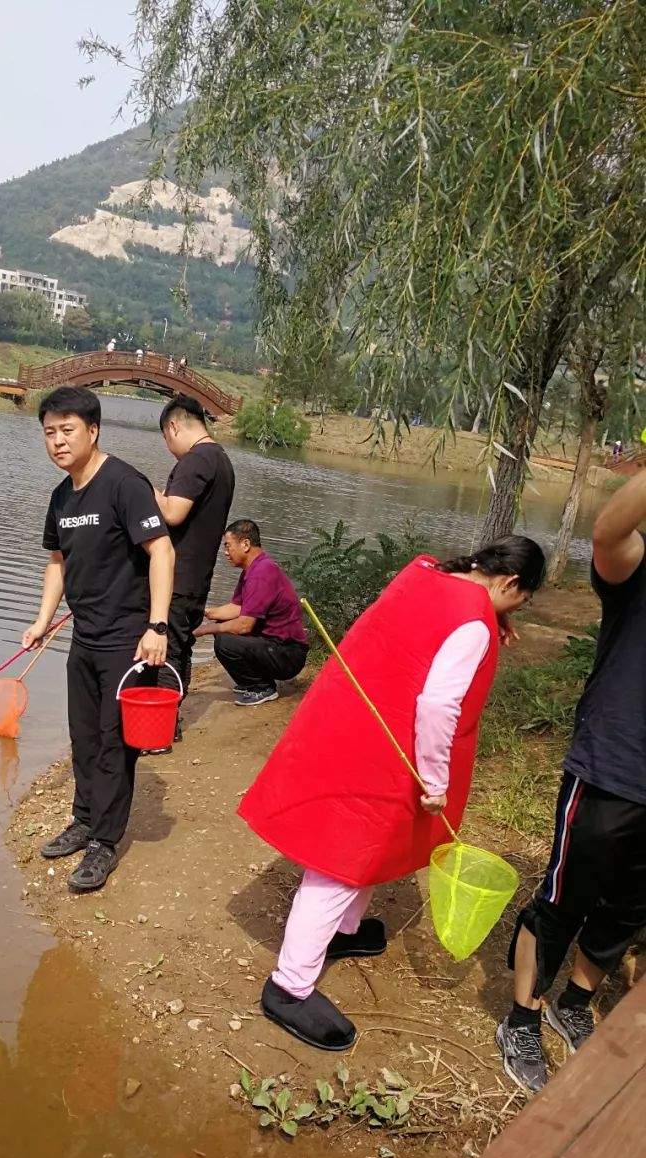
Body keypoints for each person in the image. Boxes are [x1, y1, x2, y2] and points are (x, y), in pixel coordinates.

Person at [238, 537, 546, 1051]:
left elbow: (426, 627)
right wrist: (435, 780)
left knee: (369, 849)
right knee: (342, 858)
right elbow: (437, 708)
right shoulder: (472, 623)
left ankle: (343, 931)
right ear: (510, 583)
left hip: (354, 719)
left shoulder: (427, 571)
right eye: (520, 600)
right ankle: (289, 986)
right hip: (383, 748)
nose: (515, 612)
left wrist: (491, 617)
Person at [497, 460, 646, 1092]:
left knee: (629, 911)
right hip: (613, 765)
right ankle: (521, 1017)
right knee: (563, 901)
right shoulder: (635, 568)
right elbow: (609, 534)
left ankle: (574, 1005)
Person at [22, 386, 175, 893]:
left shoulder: (124, 484)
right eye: (50, 432)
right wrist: (42, 620)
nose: (58, 441)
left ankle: (104, 843)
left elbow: (162, 551)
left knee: (114, 743)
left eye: (68, 430)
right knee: (83, 735)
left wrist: (157, 626)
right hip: (85, 637)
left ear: (93, 430)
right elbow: (57, 562)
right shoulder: (61, 496)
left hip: (128, 641)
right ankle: (84, 819)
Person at [149, 394, 235, 745]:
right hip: (197, 576)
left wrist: (138, 486)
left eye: (167, 441)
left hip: (177, 575)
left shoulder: (198, 458)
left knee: (165, 649)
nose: (170, 449)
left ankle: (158, 731)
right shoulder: (222, 460)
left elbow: (172, 512)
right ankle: (171, 725)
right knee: (180, 647)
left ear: (173, 426)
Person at [195, 519, 307, 705]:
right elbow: (237, 608)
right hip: (275, 646)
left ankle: (260, 688)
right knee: (222, 632)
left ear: (245, 544)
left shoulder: (262, 572)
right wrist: (203, 612)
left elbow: (244, 625)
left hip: (288, 653)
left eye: (228, 546)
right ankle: (258, 682)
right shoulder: (252, 570)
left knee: (225, 640)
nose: (225, 552)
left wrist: (204, 630)